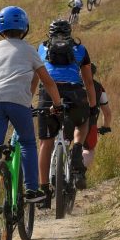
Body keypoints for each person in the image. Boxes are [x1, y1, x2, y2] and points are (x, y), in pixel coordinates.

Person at [0, 6, 63, 219]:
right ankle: (31, 190)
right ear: (24, 28)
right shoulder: (29, 50)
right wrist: (57, 105)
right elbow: (47, 81)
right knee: (28, 143)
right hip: (18, 103)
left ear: (0, 29)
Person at [36, 19, 96, 200]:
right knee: (82, 122)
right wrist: (92, 107)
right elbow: (88, 82)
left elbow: (36, 76)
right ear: (70, 33)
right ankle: (77, 148)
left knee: (46, 142)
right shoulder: (81, 50)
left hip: (48, 94)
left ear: (50, 34)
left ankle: (44, 189)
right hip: (74, 93)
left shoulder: (41, 48)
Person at [82, 63, 113, 169]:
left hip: (68, 119)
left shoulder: (71, 84)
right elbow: (107, 112)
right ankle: (78, 171)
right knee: (89, 149)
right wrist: (105, 127)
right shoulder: (99, 87)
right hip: (89, 122)